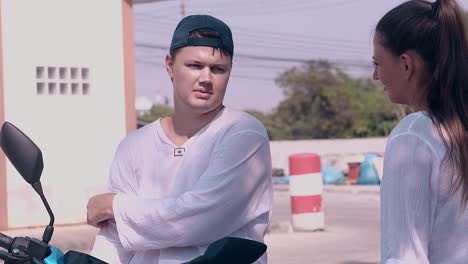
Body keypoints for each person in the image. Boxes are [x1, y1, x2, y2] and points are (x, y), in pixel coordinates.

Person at [86, 14, 273, 264]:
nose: (206, 78)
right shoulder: (134, 146)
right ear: (169, 65)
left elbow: (199, 219)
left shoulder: (242, 133)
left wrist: (113, 206)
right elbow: (115, 240)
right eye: (194, 65)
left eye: (218, 69)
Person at [372, 0, 468, 263]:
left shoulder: (414, 136)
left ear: (406, 65)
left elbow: (405, 256)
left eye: (377, 63)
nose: (375, 76)